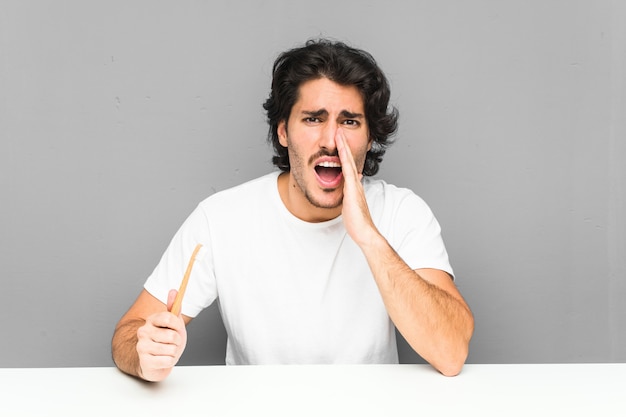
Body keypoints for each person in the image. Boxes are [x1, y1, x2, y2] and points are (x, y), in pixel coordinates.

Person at [111, 39, 474, 382]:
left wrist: (369, 237)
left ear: (370, 137)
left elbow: (451, 351)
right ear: (283, 131)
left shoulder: (402, 212)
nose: (332, 140)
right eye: (313, 119)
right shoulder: (221, 218)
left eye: (349, 122)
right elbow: (128, 333)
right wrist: (145, 354)